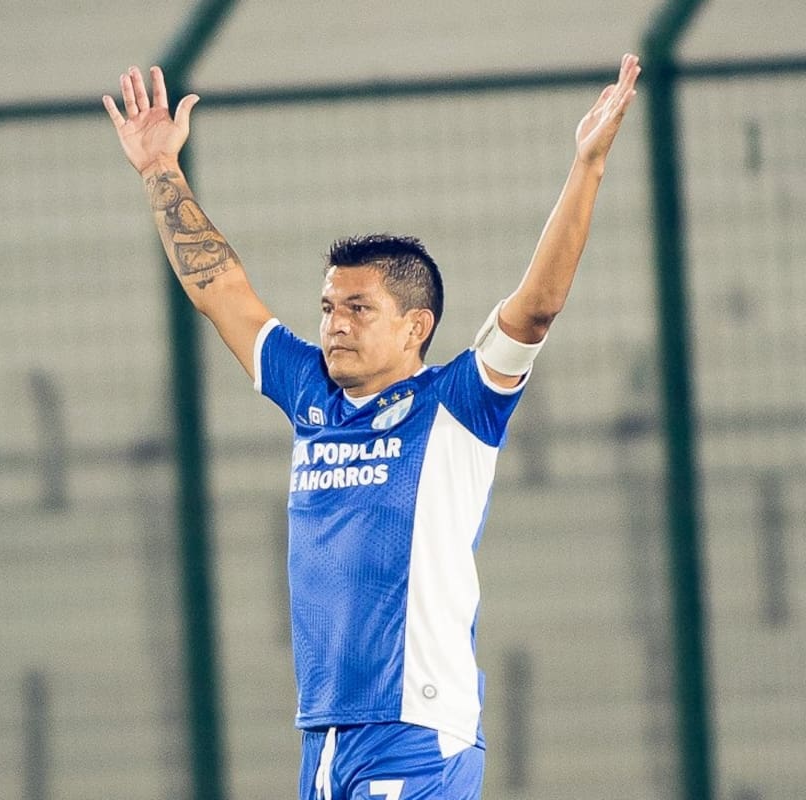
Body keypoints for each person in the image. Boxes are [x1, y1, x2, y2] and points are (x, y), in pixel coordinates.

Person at [103, 54, 640, 800]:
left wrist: (587, 167)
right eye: (328, 307)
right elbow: (220, 286)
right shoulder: (309, 393)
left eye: (359, 308)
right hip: (324, 733)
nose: (334, 325)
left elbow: (535, 307)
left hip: (415, 728)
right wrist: (160, 167)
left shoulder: (458, 402)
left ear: (416, 325)